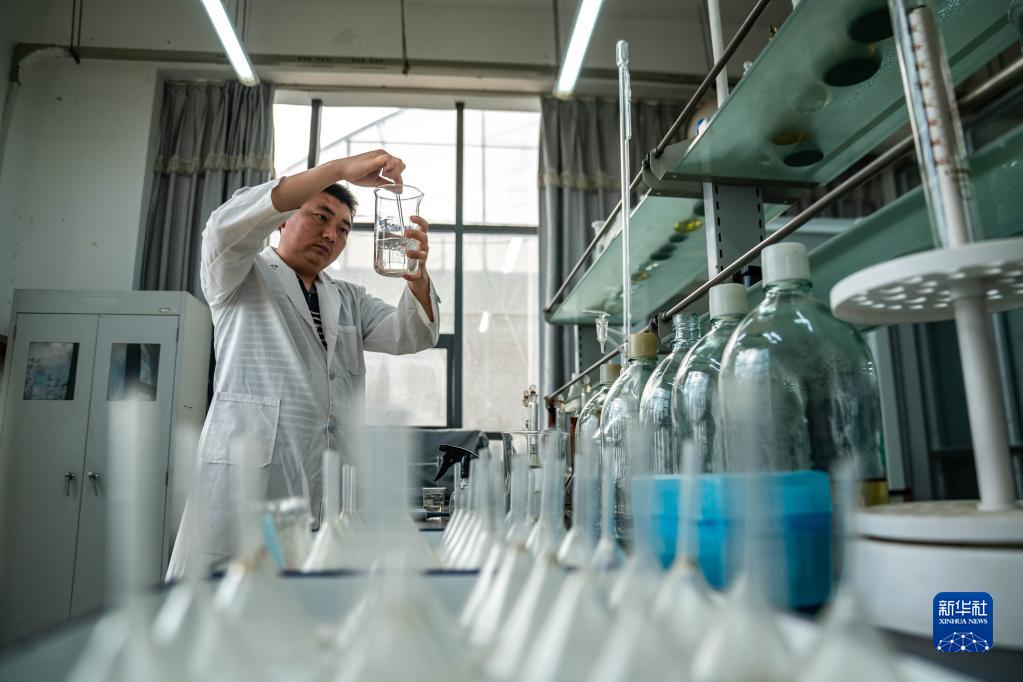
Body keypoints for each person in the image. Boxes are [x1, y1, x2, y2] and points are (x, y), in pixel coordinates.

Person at [167, 150, 439, 577]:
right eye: (320, 217)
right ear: (283, 219)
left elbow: (412, 334)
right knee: (231, 604)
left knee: (309, 608)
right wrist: (339, 170)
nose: (331, 234)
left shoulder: (346, 298)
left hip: (326, 496)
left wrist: (417, 276)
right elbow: (223, 228)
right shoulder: (239, 275)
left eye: (344, 228)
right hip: (246, 490)